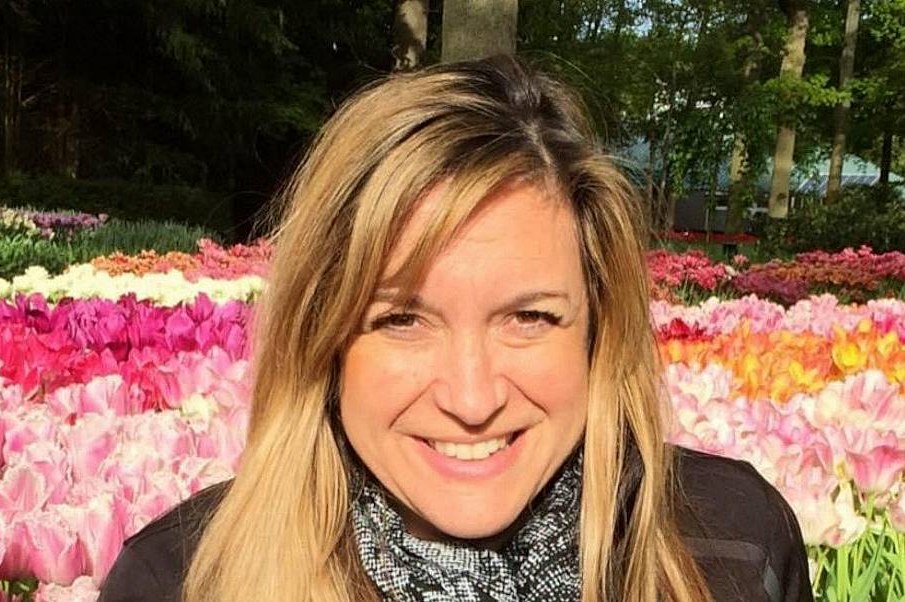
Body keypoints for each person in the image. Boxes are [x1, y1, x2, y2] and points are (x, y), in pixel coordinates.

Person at [98, 56, 813, 602]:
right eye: (401, 320)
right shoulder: (184, 581)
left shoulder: (730, 545)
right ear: (323, 341)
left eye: (529, 318)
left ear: (598, 331)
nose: (472, 401)